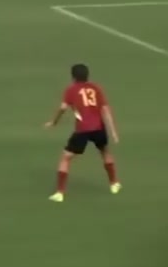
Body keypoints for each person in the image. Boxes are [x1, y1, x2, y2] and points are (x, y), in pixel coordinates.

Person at [44, 63, 121, 202]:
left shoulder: (71, 90)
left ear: (73, 77)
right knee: (105, 152)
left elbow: (63, 108)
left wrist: (53, 122)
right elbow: (105, 109)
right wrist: (113, 131)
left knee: (66, 157)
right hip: (99, 128)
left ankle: (60, 193)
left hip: (82, 130)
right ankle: (114, 183)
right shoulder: (96, 88)